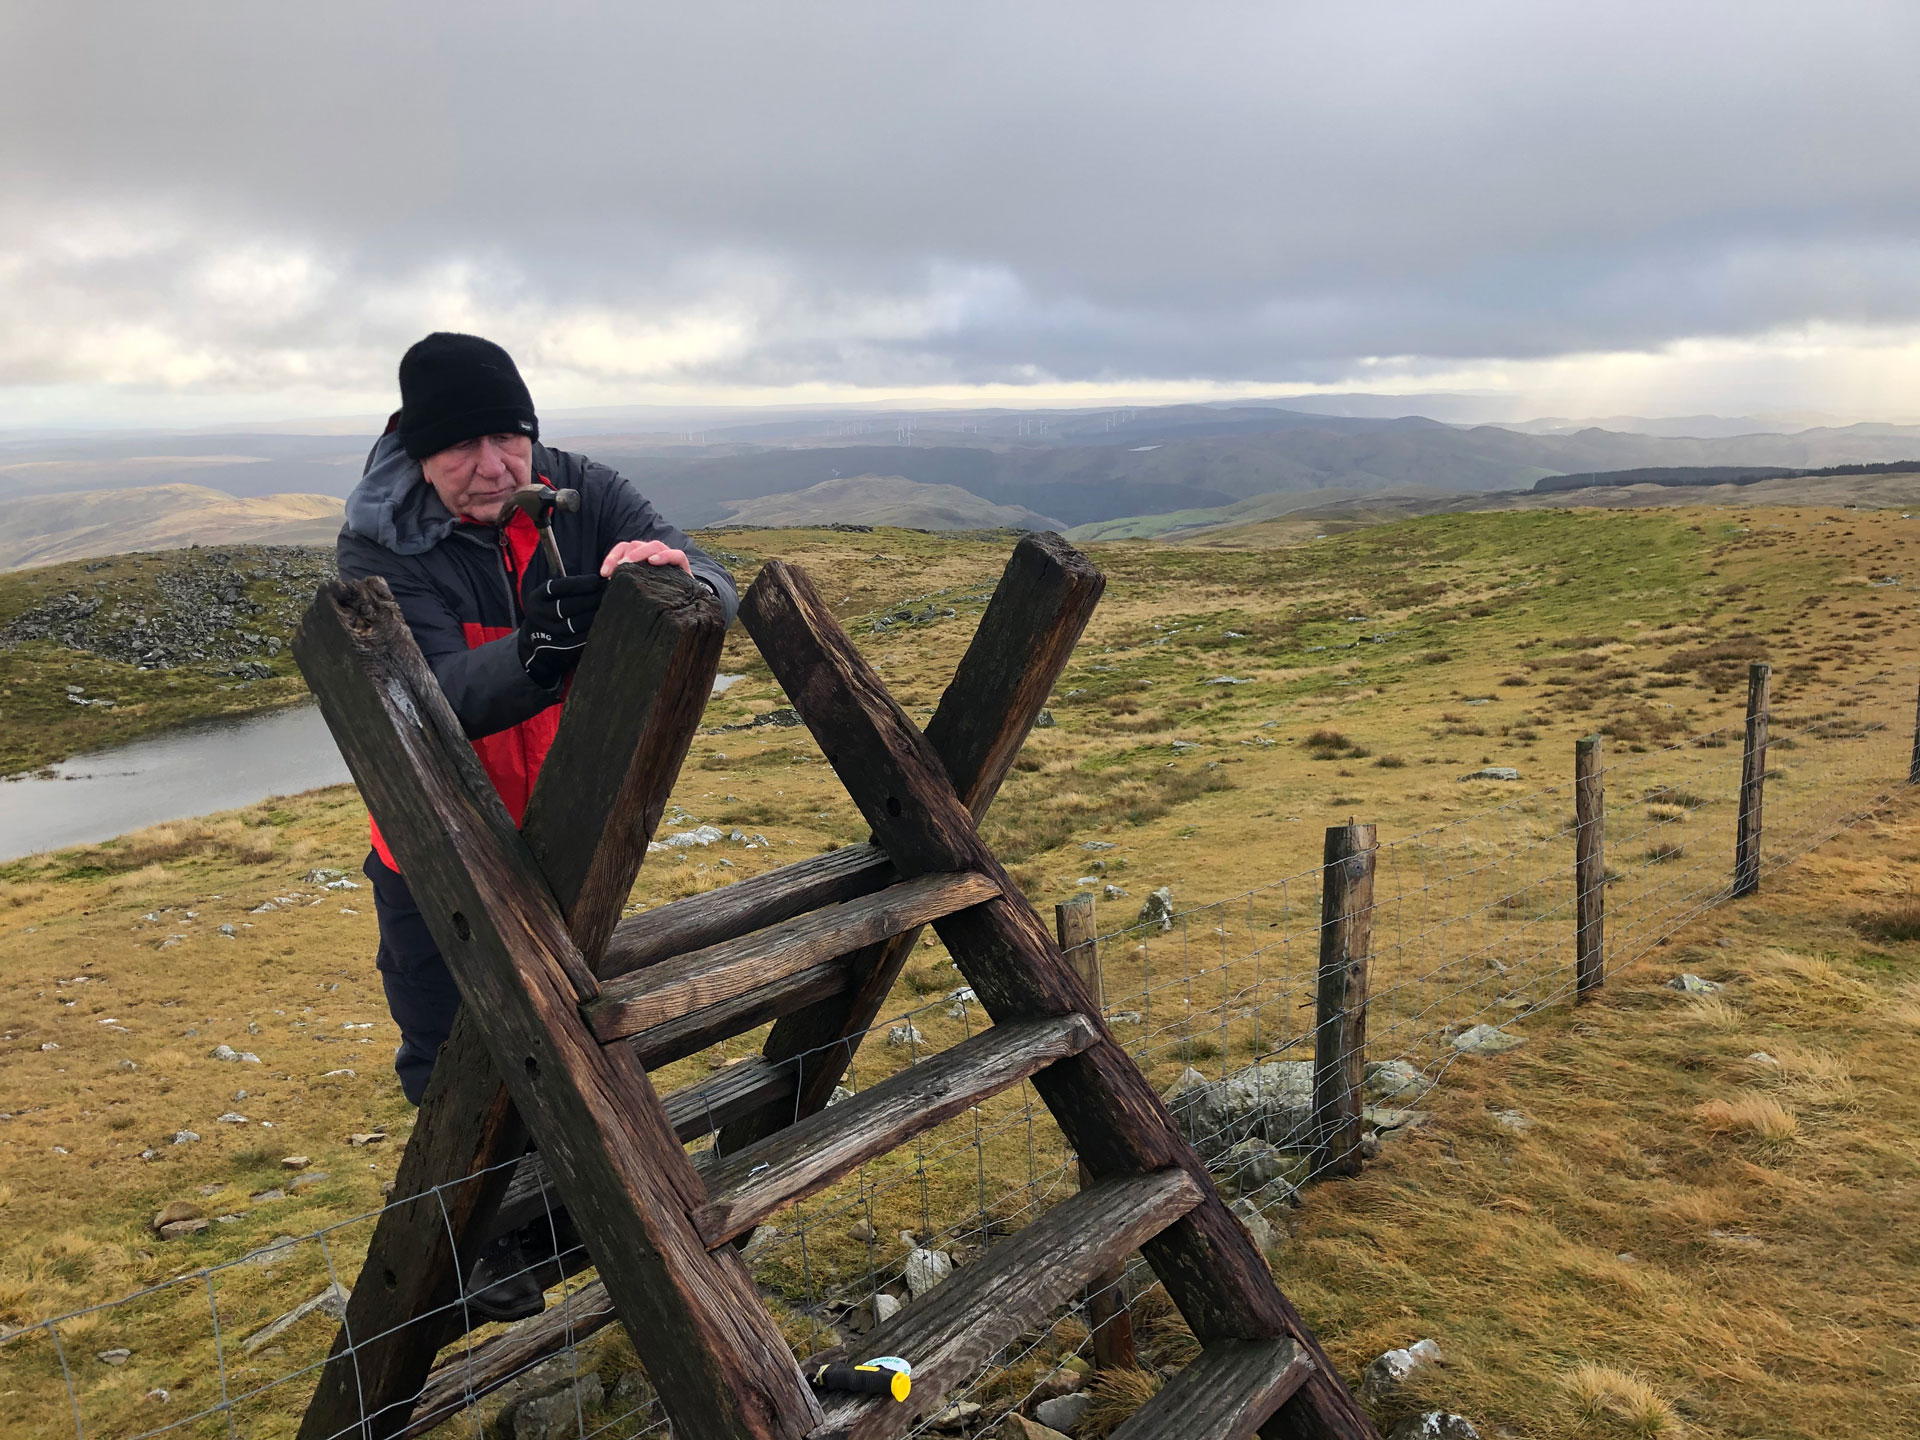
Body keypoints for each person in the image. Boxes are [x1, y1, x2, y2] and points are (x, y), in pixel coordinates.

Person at [337, 332, 739, 1318]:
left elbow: (714, 579)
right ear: (416, 452)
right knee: (448, 1055)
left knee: (575, 1027)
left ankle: (564, 1221)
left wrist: (669, 580)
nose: (492, 468)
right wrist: (545, 649)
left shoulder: (581, 487)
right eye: (460, 450)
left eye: (507, 438)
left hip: (566, 834)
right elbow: (428, 693)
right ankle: (475, 1250)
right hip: (433, 846)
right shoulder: (380, 544)